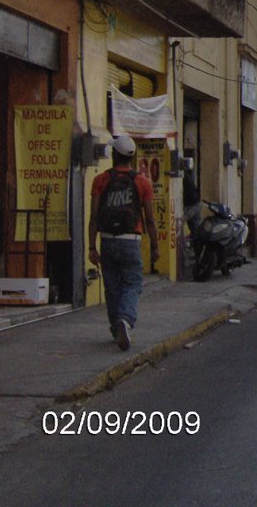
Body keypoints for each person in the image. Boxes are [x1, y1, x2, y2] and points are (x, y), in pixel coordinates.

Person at [87, 135, 159, 352]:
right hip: (131, 240)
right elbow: (150, 219)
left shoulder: (100, 180)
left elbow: (94, 216)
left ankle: (114, 327)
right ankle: (125, 320)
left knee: (112, 286)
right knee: (132, 284)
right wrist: (155, 246)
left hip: (107, 240)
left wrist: (91, 246)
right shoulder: (143, 182)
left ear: (114, 156)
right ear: (132, 157)